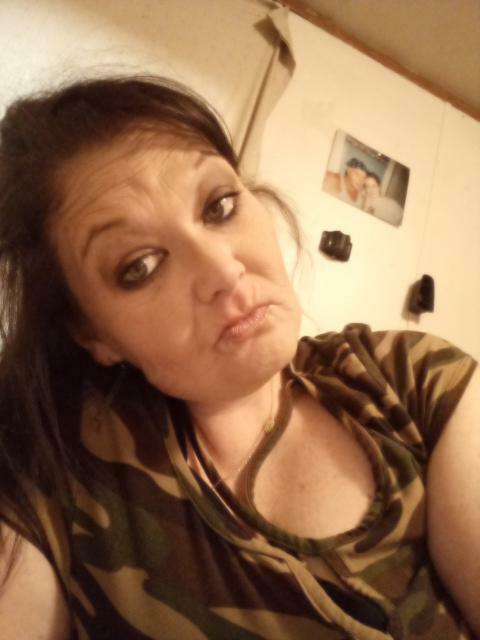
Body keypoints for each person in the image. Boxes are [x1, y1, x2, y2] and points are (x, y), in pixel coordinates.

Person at [0, 77, 478, 640]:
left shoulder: (412, 377)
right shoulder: (49, 474)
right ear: (92, 334)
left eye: (220, 206)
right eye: (141, 266)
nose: (225, 271)